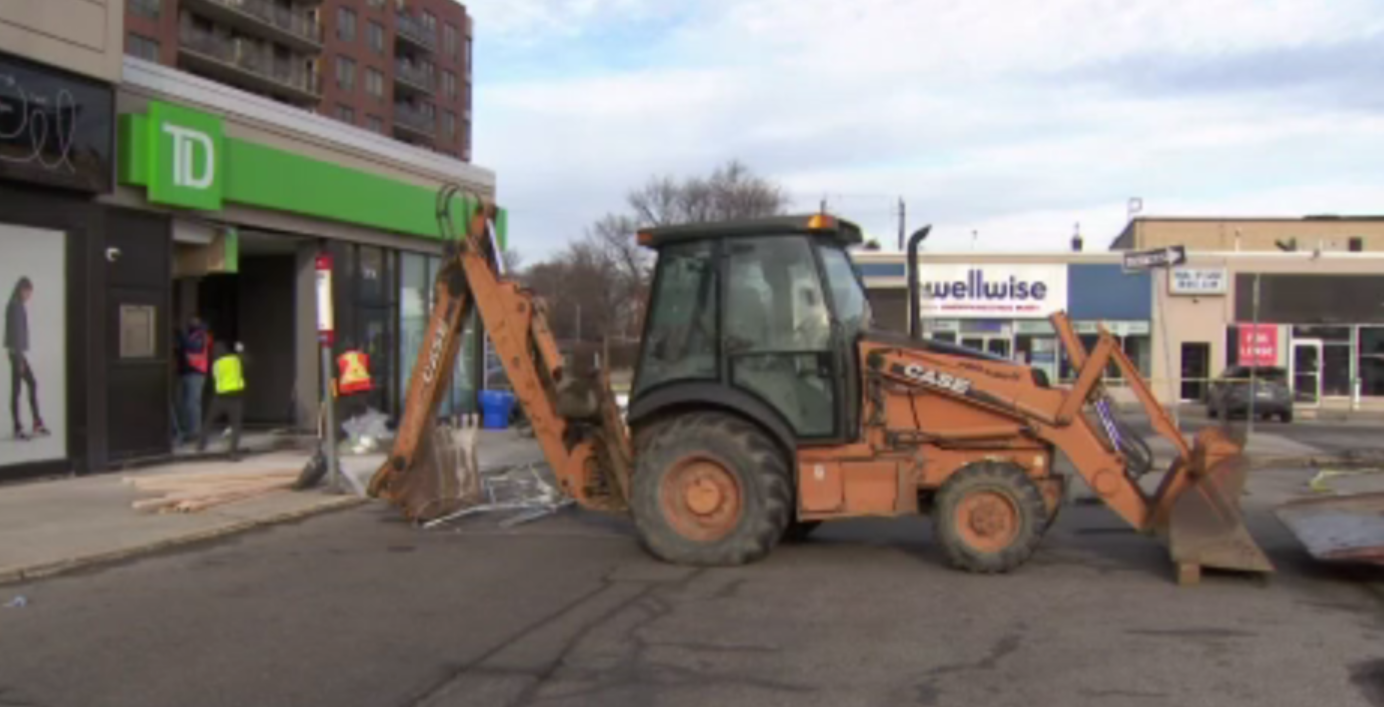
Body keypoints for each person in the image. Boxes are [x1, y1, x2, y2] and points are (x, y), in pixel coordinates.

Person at [5, 277, 47, 440]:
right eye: (28, 292)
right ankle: (18, 427)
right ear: (22, 289)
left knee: (26, 386)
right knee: (19, 389)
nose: (29, 295)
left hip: (17, 353)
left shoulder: (16, 305)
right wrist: (20, 359)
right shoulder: (15, 306)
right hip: (16, 354)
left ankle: (34, 422)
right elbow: (15, 334)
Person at [199, 341, 244, 459]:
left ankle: (201, 445)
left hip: (219, 398)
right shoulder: (234, 360)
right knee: (236, 426)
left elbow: (214, 380)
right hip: (235, 397)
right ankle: (233, 452)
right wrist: (240, 349)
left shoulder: (216, 364)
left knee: (208, 421)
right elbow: (243, 358)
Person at [176, 316, 212, 444]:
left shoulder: (202, 336)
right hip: (185, 372)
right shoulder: (191, 336)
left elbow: (193, 347)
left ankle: (194, 432)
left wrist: (182, 337)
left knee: (192, 403)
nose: (190, 324)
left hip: (196, 372)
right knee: (183, 403)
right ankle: (186, 430)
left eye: (193, 322)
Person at [336, 341, 373, 434]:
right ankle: (362, 432)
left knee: (347, 412)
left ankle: (348, 432)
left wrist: (335, 393)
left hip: (348, 388)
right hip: (362, 387)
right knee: (361, 412)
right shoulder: (363, 356)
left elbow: (338, 374)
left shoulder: (341, 358)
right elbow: (368, 369)